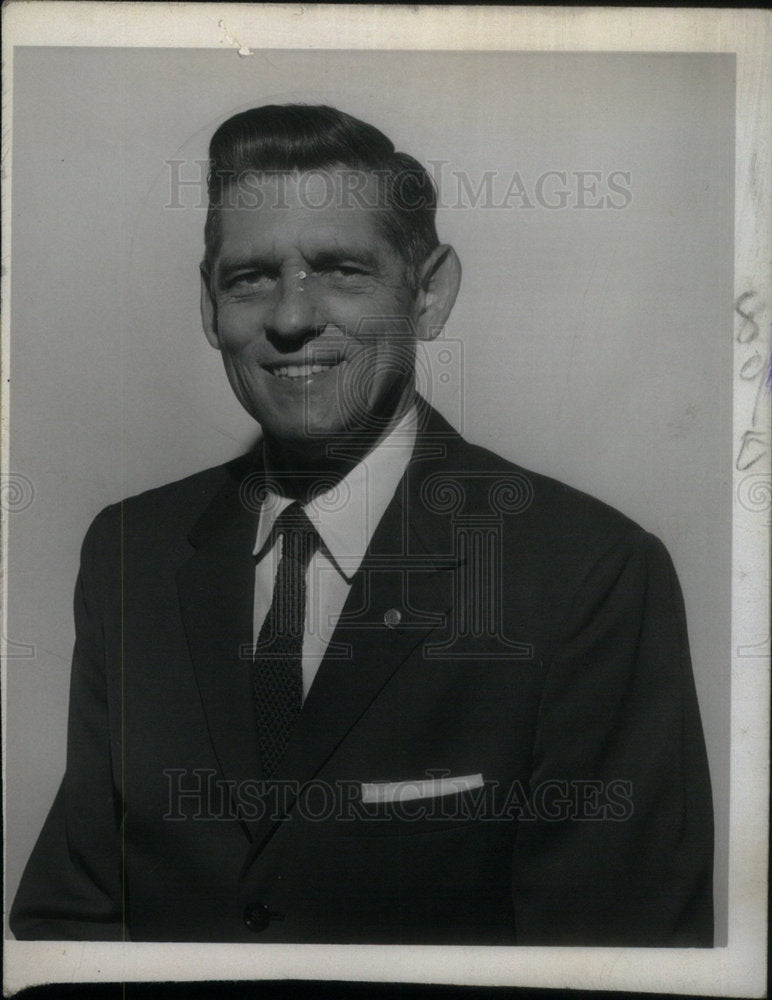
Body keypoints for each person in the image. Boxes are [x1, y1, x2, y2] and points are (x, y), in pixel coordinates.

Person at [10, 104, 713, 945]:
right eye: (251, 278)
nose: (292, 318)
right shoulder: (132, 551)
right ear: (210, 307)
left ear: (429, 294)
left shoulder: (587, 576)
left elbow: (615, 961)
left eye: (341, 270)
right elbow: (69, 921)